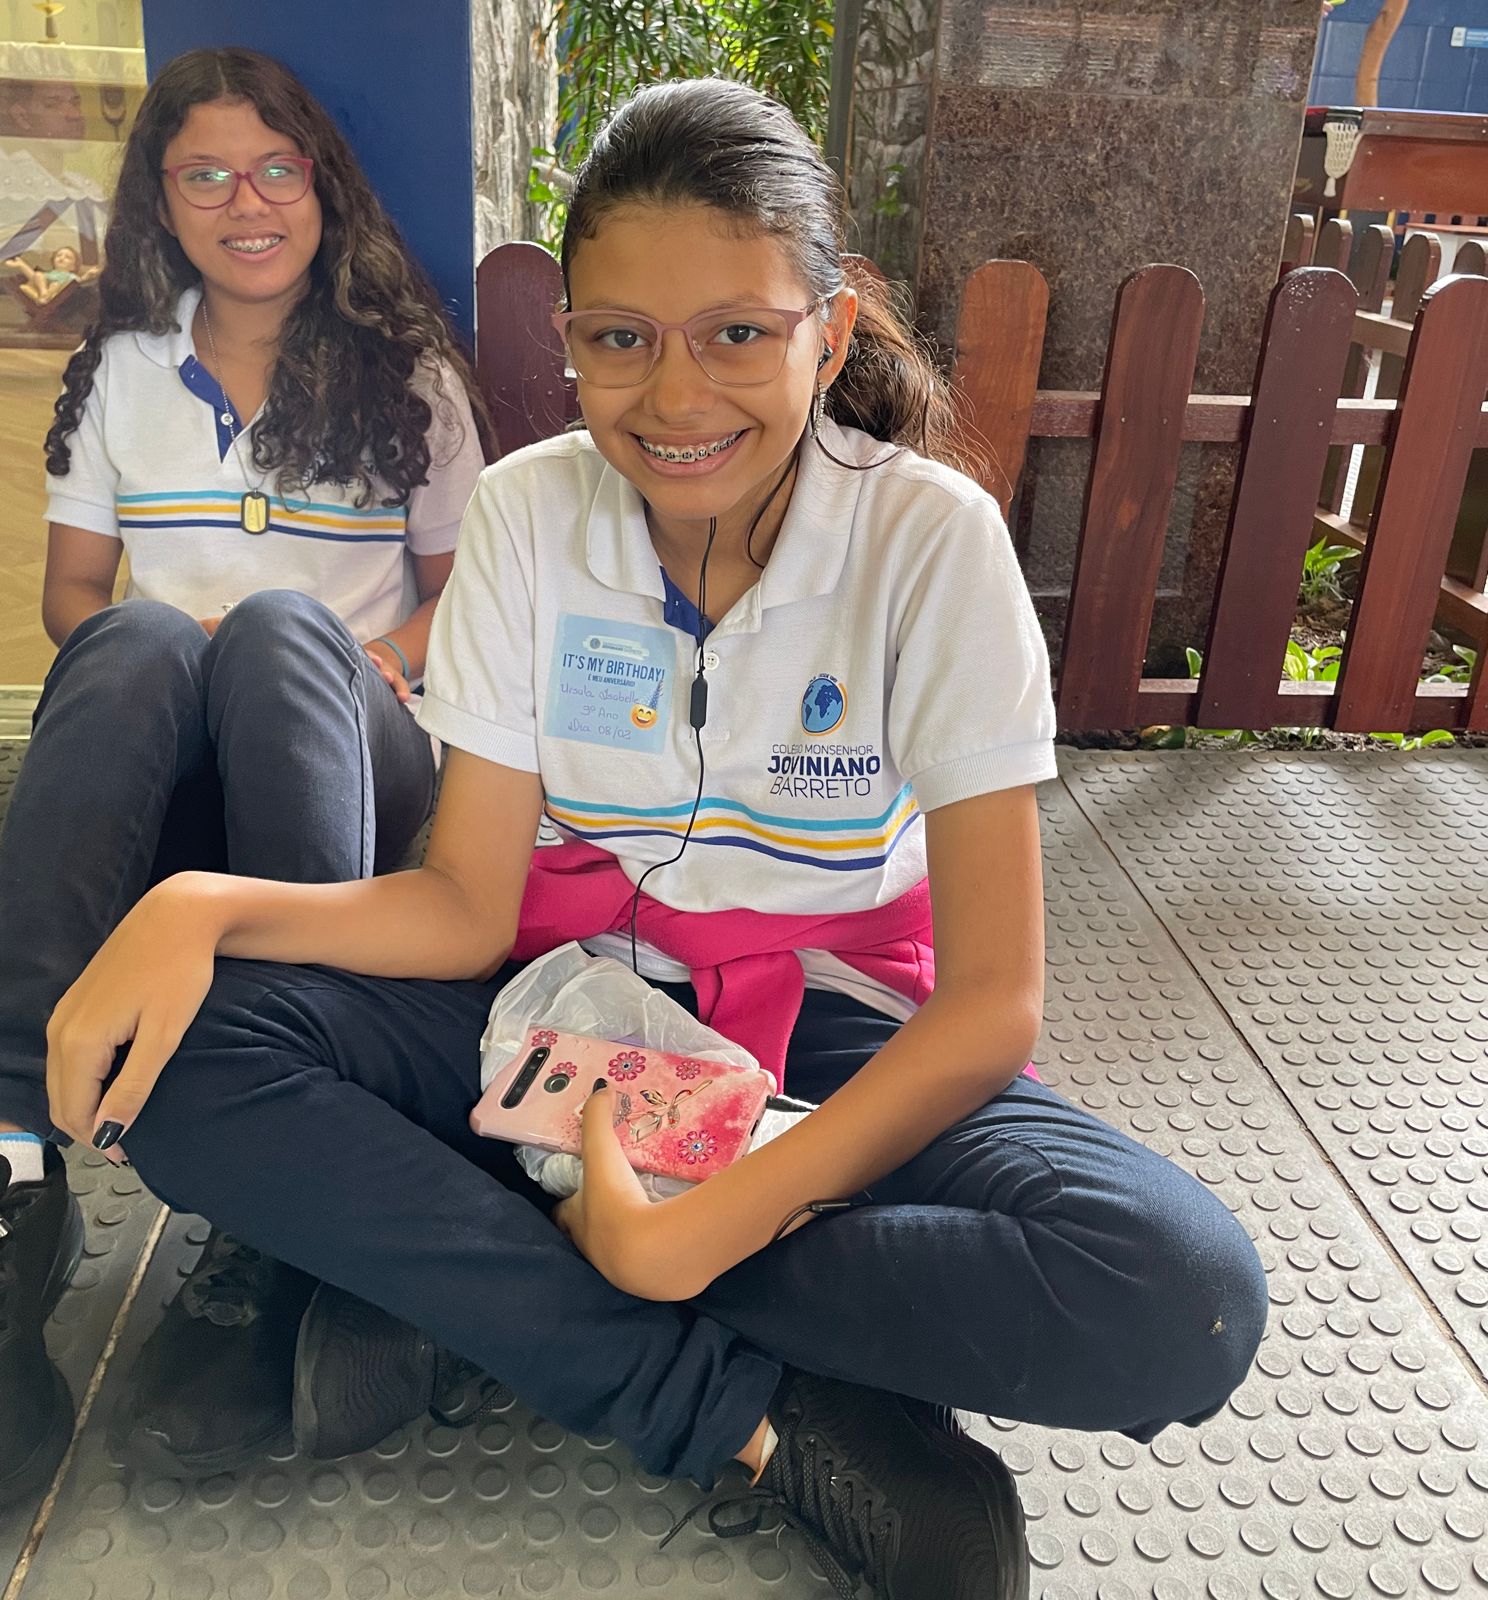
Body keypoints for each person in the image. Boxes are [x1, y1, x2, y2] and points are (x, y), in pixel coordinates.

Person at [40, 79, 1266, 1598]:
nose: (676, 398)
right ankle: (753, 1422)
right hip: (549, 1022)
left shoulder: (927, 544)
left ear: (831, 324)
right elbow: (466, 909)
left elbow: (988, 1009)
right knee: (189, 1063)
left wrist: (719, 1220)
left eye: (739, 333)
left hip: (828, 1046)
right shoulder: (525, 516)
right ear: (569, 338)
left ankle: (464, 1290)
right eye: (620, 338)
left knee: (1182, 1297)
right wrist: (199, 910)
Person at [0, 46, 485, 1503]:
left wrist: (363, 662)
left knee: (280, 633)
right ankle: (17, 1160)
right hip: (180, 754)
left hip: (357, 754)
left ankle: (280, 1180)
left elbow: (470, 597)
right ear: (162, 199)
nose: (245, 201)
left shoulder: (410, 375)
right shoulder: (121, 375)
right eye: (204, 173)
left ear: (324, 191)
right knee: (142, 636)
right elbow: (72, 594)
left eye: (277, 169)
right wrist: (171, 643)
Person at [4, 245, 102, 304]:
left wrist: (88, 275)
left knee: (56, 285)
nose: (62, 258)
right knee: (38, 275)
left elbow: (77, 283)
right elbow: (33, 276)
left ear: (73, 267)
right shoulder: (51, 274)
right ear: (53, 261)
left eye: (67, 257)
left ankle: (46, 295)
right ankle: (44, 293)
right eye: (59, 255)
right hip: (45, 289)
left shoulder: (70, 276)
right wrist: (22, 265)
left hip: (58, 295)